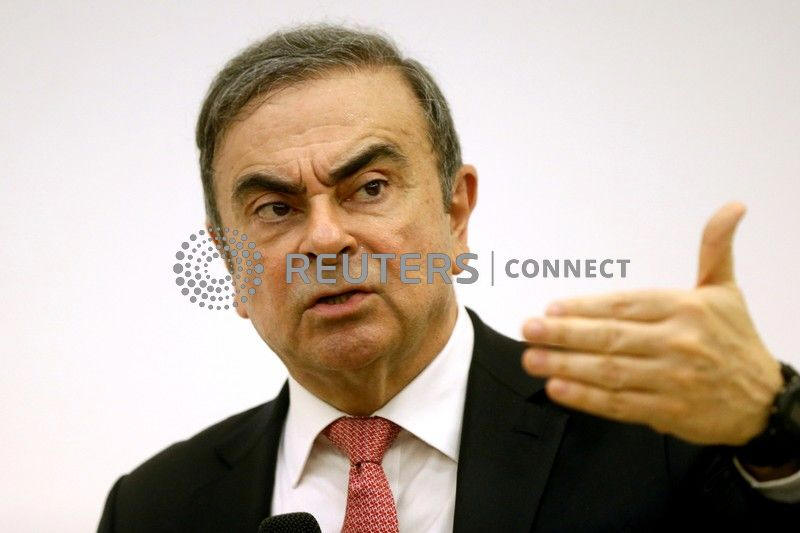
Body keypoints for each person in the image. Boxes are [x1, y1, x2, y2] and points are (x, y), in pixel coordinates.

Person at [98, 23, 800, 532]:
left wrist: (777, 427)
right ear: (232, 265)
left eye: (369, 188)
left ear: (455, 213)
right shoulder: (155, 509)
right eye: (276, 209)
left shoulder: (654, 437)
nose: (325, 238)